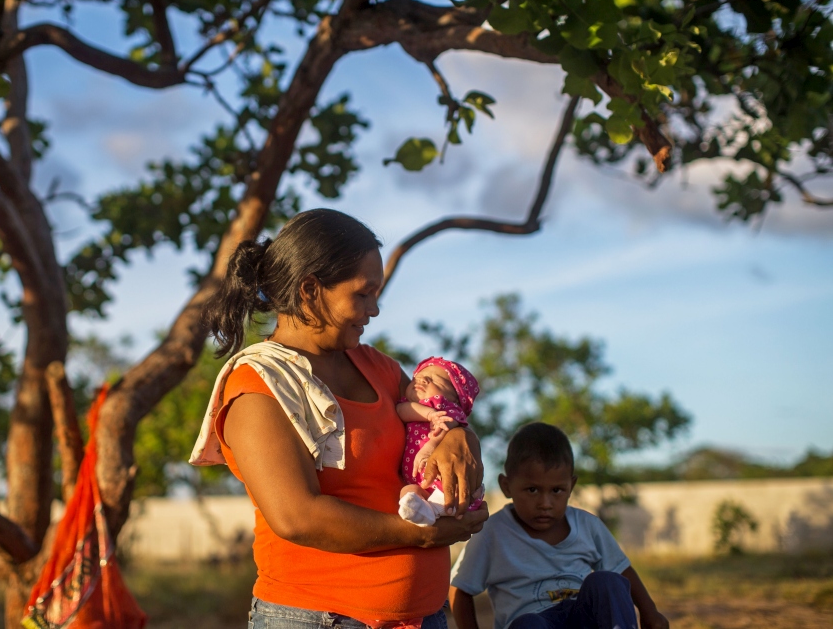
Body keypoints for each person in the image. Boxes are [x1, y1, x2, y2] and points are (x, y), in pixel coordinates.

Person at [189, 208, 489, 629]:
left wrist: (459, 434)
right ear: (311, 290)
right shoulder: (259, 387)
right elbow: (297, 517)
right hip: (315, 617)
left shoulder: (377, 367)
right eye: (363, 294)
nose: (375, 310)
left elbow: (438, 419)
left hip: (424, 616)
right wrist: (420, 535)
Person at [449, 422, 668, 629]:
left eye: (556, 491)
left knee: (608, 580)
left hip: (582, 618)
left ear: (571, 486)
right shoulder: (492, 532)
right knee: (528, 625)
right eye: (532, 490)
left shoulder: (587, 525)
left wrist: (650, 613)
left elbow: (621, 569)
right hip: (533, 622)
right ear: (506, 486)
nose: (545, 504)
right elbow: (459, 589)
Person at [397, 357, 485, 527]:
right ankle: (423, 512)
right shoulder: (411, 406)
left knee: (451, 491)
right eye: (419, 376)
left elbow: (445, 424)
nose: (423, 379)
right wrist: (428, 414)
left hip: (442, 479)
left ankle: (436, 510)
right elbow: (401, 410)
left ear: (456, 398)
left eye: (437, 379)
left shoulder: (444, 408)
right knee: (408, 494)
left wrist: (431, 445)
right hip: (418, 483)